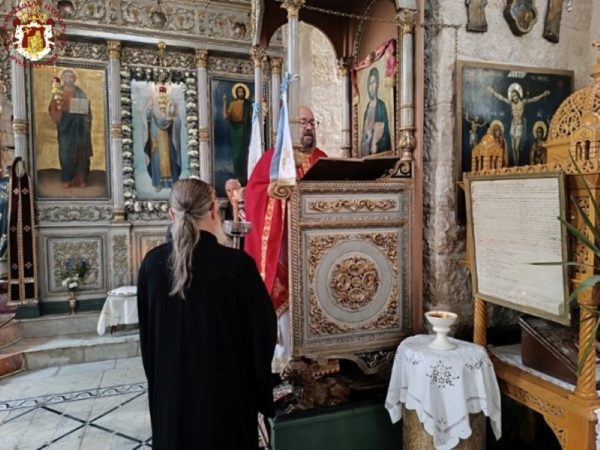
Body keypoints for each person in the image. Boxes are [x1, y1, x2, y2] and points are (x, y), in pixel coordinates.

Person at [138, 178, 276, 450]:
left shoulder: (152, 265)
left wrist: (161, 387)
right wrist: (261, 393)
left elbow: (148, 341)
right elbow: (262, 335)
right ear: (214, 210)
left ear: (171, 214)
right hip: (225, 402)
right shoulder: (238, 266)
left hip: (172, 400)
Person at [244, 106, 326, 372]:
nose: (308, 127)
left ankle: (318, 356)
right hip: (284, 247)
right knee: (287, 303)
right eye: (303, 122)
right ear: (290, 126)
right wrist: (277, 193)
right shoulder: (273, 158)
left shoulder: (322, 160)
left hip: (317, 248)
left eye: (312, 122)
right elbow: (254, 193)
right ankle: (287, 361)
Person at [48, 68, 93, 188]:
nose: (70, 79)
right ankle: (67, 178)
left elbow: (87, 109)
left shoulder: (80, 92)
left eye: (72, 76)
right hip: (65, 125)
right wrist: (59, 109)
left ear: (75, 79)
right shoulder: (58, 91)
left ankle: (81, 178)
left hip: (79, 126)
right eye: (67, 76)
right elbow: (53, 108)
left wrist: (85, 118)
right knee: (66, 151)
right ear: (62, 79)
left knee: (80, 152)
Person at [488, 83, 550, 166]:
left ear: (518, 95)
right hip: (513, 125)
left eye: (515, 95)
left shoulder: (522, 102)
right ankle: (515, 164)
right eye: (513, 96)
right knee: (513, 148)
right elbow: (501, 98)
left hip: (519, 126)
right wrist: (492, 91)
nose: (514, 97)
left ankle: (517, 164)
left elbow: (533, 99)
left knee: (516, 147)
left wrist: (543, 95)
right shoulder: (511, 103)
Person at [143, 98, 182, 191]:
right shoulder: (152, 109)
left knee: (170, 160)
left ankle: (172, 183)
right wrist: (149, 109)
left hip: (168, 143)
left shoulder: (171, 105)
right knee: (157, 160)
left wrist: (173, 118)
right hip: (156, 142)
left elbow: (177, 121)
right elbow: (145, 118)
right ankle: (158, 184)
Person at [223, 83, 253, 185]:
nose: (241, 93)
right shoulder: (233, 104)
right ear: (236, 93)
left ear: (244, 93)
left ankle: (244, 176)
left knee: (244, 153)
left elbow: (252, 118)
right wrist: (225, 102)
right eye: (239, 91)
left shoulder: (248, 105)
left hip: (245, 129)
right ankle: (237, 175)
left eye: (242, 91)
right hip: (235, 130)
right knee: (236, 155)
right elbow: (226, 116)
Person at [360, 67, 391, 156]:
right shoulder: (367, 109)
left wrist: (376, 144)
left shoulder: (381, 106)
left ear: (377, 84)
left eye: (373, 82)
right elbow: (363, 136)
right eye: (369, 84)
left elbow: (386, 134)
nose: (371, 87)